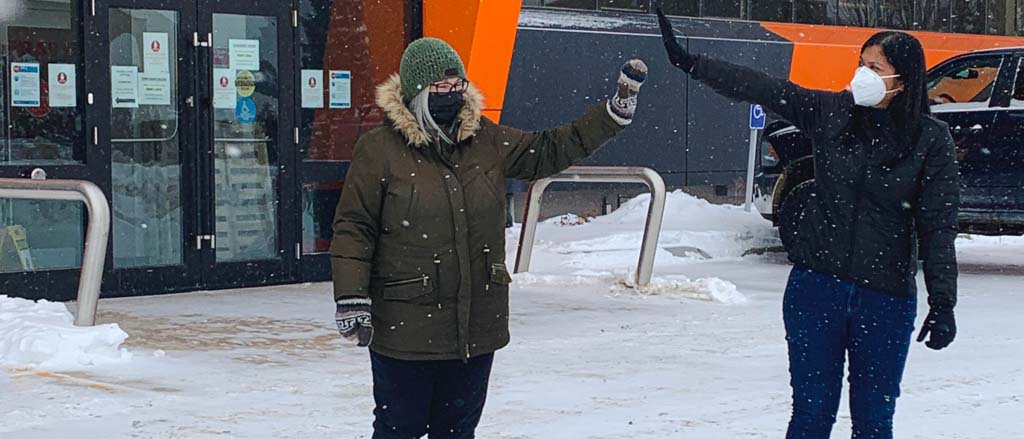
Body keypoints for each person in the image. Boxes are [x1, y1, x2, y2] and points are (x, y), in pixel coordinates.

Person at [656, 7, 958, 439]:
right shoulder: (832, 112)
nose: (862, 75)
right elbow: (764, 87)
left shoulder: (931, 141)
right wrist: (694, 63)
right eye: (860, 64)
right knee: (811, 415)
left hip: (885, 299)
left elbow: (938, 225)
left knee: (874, 421)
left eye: (875, 68)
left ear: (903, 80)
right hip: (817, 290)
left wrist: (943, 300)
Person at [330, 37, 648, 439]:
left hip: (476, 327)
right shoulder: (379, 150)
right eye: (441, 88)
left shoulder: (486, 139)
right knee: (399, 429)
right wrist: (351, 296)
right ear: (416, 91)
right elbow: (354, 227)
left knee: (458, 431)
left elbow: (548, 149)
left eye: (458, 85)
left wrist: (612, 114)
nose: (453, 95)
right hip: (405, 327)